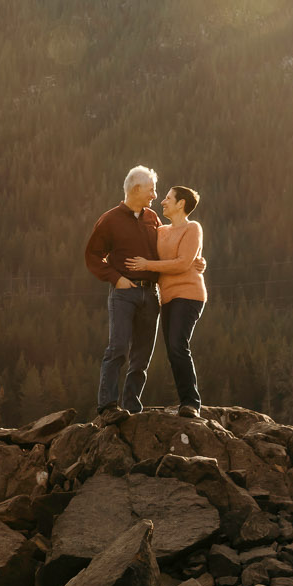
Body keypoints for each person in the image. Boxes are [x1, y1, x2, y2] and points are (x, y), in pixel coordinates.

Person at [84, 165, 163, 419]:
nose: (155, 195)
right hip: (123, 294)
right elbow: (93, 256)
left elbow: (167, 252)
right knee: (118, 348)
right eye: (151, 189)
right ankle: (107, 407)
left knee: (142, 354)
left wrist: (193, 261)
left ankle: (132, 406)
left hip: (151, 295)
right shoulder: (110, 220)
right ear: (137, 189)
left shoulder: (153, 219)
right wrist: (116, 278)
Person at [124, 184, 206, 418]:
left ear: (181, 204)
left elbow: (182, 263)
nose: (163, 201)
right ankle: (187, 402)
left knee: (178, 345)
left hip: (189, 294)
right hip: (167, 297)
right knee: (173, 349)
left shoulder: (193, 228)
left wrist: (147, 265)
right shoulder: (161, 231)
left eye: (168, 198)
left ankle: (191, 403)